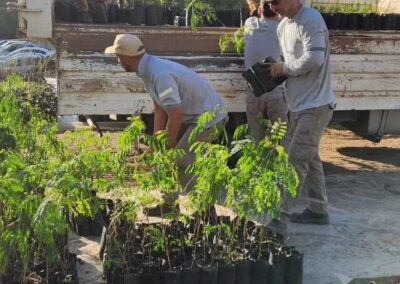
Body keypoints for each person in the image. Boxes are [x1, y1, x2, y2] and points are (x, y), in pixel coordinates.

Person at [105, 34, 228, 197]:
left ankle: (205, 209)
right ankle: (170, 206)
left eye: (118, 57)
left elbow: (175, 115)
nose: (118, 61)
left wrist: (168, 146)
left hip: (210, 119)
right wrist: (157, 145)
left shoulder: (159, 75)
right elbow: (160, 109)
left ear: (126, 58)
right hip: (196, 117)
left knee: (179, 161)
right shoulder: (148, 70)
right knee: (168, 159)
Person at [267, 0, 336, 225]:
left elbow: (314, 59)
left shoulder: (310, 19)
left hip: (315, 105)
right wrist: (275, 68)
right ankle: (318, 210)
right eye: (269, 2)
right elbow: (290, 61)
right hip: (296, 105)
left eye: (275, 1)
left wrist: (285, 68)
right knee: (311, 158)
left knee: (295, 160)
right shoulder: (282, 26)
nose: (272, 6)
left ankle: (279, 217)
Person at [244, 0, 288, 144]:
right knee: (282, 138)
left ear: (260, 11)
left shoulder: (250, 23)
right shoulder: (281, 28)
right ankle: (283, 166)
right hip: (275, 89)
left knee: (256, 137)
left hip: (254, 89)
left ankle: (257, 166)